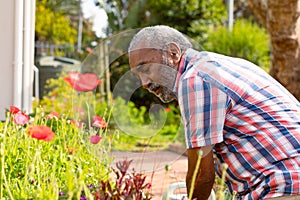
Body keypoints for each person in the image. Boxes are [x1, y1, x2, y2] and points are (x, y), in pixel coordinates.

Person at [128, 25, 300, 200]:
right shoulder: (218, 64)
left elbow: (200, 176)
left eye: (146, 69)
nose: (143, 83)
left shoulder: (195, 80)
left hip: (285, 184)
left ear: (173, 53)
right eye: (138, 76)